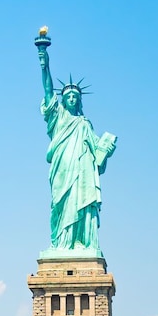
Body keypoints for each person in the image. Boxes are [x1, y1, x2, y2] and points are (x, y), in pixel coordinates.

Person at [38, 45, 116, 252]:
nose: (72, 98)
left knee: (79, 201)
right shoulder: (58, 117)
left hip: (81, 172)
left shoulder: (84, 124)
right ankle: (61, 243)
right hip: (62, 167)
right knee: (60, 204)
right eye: (68, 96)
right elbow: (47, 90)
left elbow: (98, 154)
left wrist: (106, 149)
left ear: (79, 100)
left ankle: (79, 241)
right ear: (63, 100)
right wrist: (44, 63)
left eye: (75, 96)